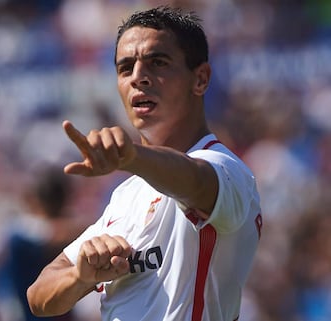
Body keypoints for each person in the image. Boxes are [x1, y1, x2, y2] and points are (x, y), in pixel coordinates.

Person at [27, 6, 262, 321]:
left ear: (200, 79)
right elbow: (38, 296)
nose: (138, 77)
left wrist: (133, 157)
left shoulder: (227, 169)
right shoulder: (126, 195)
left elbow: (195, 181)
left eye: (158, 63)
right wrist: (81, 277)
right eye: (125, 68)